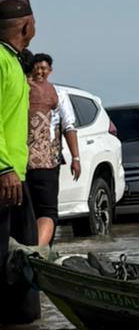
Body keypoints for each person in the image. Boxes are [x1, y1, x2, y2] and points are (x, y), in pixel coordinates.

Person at [0, 0, 39, 324]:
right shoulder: (0, 59)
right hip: (5, 176)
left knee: (24, 259)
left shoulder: (14, 60)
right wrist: (4, 169)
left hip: (17, 176)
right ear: (27, 25)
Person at [25, 52, 80, 247]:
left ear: (50, 71)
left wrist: (76, 158)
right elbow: (69, 126)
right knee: (47, 212)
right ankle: (37, 253)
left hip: (20, 163)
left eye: (44, 68)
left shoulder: (18, 90)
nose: (40, 71)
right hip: (44, 163)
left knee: (29, 214)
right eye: (37, 67)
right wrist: (75, 158)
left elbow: (68, 127)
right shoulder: (53, 94)